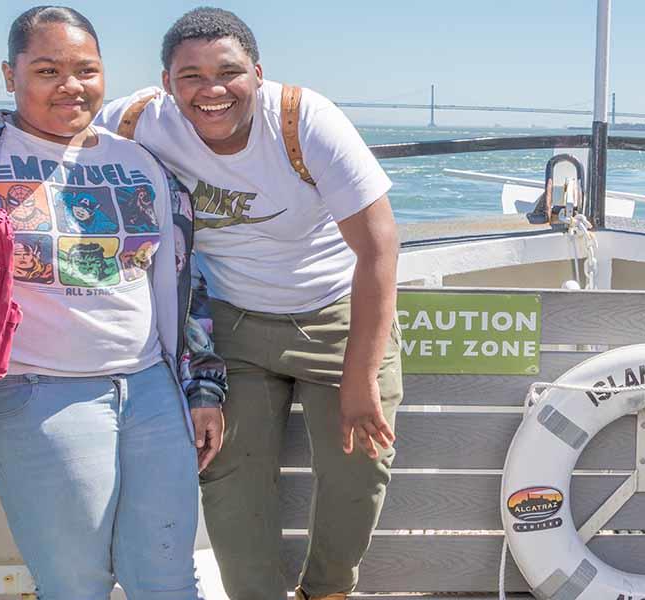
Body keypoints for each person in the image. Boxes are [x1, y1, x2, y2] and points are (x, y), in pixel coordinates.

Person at [96, 7, 403, 599]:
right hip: (232, 323)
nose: (211, 90)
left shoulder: (303, 120)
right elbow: (59, 140)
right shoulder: (137, 122)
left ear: (258, 74)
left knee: (357, 473)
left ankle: (327, 591)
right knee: (229, 481)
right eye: (190, 76)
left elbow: (380, 247)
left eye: (228, 72)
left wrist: (360, 377)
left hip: (337, 315)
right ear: (166, 83)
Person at [0, 6, 226, 598]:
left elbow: (184, 283)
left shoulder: (141, 162)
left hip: (151, 391)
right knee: (75, 584)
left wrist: (201, 389)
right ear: (9, 74)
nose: (71, 85)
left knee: (168, 579)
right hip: (38, 394)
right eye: (47, 69)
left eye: (86, 70)